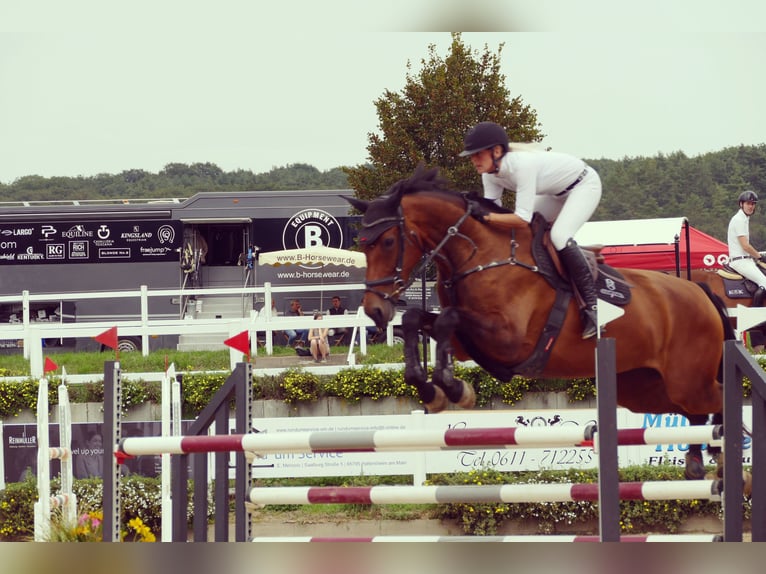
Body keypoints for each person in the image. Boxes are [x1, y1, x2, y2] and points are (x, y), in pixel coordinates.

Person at [459, 121, 603, 339]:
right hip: (554, 194)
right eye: (471, 155)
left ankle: (592, 308)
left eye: (477, 154)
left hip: (584, 185)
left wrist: (486, 216)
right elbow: (492, 210)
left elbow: (521, 218)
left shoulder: (521, 166)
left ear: (496, 151)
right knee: (529, 234)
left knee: (559, 236)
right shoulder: (489, 174)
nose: (473, 160)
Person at [727, 190, 766, 306]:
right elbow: (745, 246)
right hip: (740, 261)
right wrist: (760, 257)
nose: (751, 206)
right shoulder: (738, 220)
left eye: (753, 204)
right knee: (764, 282)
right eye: (748, 203)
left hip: (746, 260)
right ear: (741, 204)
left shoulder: (744, 219)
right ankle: (755, 317)